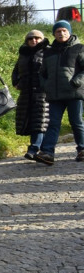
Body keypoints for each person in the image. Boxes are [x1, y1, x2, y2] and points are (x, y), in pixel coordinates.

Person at [35, 20, 84, 165]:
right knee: (53, 123)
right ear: (54, 34)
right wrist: (46, 85)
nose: (61, 33)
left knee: (76, 122)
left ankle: (82, 149)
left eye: (64, 30)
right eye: (58, 31)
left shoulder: (79, 48)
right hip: (55, 95)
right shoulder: (48, 51)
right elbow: (42, 73)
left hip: (74, 92)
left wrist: (77, 81)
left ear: (69, 32)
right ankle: (47, 153)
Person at [12, 29, 50, 160]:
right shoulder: (24, 54)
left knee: (40, 121)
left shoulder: (47, 52)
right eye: (31, 38)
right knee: (31, 121)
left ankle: (34, 148)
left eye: (37, 38)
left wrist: (46, 84)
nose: (34, 40)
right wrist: (16, 82)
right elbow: (16, 70)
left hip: (42, 93)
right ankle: (41, 148)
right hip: (26, 93)